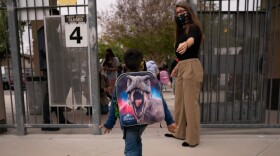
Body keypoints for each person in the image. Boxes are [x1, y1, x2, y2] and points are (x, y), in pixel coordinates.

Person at [99, 48, 177, 156]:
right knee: (137, 140)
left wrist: (109, 123)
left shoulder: (121, 81)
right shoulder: (149, 78)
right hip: (144, 121)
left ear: (125, 65)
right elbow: (160, 101)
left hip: (128, 122)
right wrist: (169, 121)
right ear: (141, 63)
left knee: (130, 149)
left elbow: (115, 104)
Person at [165, 1, 204, 147]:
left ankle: (193, 138)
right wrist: (177, 66)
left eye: (182, 12)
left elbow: (192, 39)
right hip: (183, 67)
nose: (179, 15)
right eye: (177, 13)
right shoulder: (180, 31)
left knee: (190, 105)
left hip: (192, 67)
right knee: (179, 103)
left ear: (188, 12)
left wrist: (187, 43)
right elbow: (181, 55)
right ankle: (179, 132)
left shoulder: (194, 28)